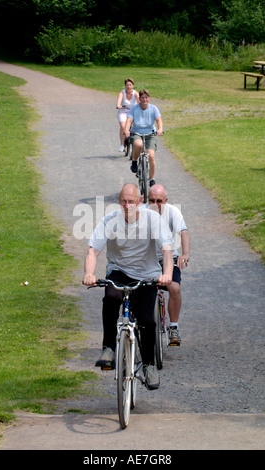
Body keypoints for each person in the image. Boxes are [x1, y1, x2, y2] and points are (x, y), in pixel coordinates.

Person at [83, 183, 173, 390]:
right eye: (123, 201)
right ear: (119, 201)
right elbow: (93, 250)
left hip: (147, 274)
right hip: (119, 271)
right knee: (111, 298)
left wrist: (166, 275)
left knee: (146, 321)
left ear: (139, 201)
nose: (127, 205)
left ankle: (149, 366)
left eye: (131, 201)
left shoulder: (153, 220)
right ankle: (108, 348)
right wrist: (89, 273)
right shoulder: (110, 221)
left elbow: (166, 251)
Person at [147, 184, 190, 345]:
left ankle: (173, 327)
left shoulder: (173, 212)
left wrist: (185, 254)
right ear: (146, 200)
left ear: (166, 200)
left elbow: (183, 232)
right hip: (147, 261)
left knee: (174, 288)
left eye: (159, 201)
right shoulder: (142, 213)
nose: (156, 204)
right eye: (152, 200)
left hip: (169, 259)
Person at [125, 89, 163, 187]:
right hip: (137, 132)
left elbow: (158, 120)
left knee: (151, 155)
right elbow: (129, 120)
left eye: (146, 97)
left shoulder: (153, 108)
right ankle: (134, 161)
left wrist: (160, 129)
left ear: (149, 99)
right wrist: (126, 130)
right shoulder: (134, 109)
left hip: (150, 133)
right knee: (138, 144)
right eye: (142, 98)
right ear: (139, 99)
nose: (144, 99)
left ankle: (152, 179)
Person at [116, 78, 139, 153]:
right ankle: (122, 144)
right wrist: (119, 105)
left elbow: (139, 101)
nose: (128, 86)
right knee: (123, 126)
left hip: (132, 112)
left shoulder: (135, 93)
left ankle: (134, 141)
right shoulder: (122, 93)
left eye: (130, 85)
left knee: (134, 127)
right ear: (125, 86)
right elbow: (118, 102)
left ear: (133, 86)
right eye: (127, 85)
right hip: (123, 111)